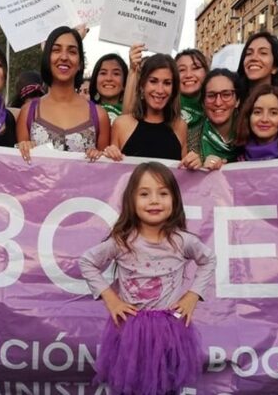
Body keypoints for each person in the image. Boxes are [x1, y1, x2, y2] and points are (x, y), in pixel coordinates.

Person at [79, 162, 215, 394]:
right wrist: (112, 299)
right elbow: (87, 261)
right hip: (131, 331)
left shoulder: (183, 241)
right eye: (144, 194)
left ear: (175, 200)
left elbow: (208, 260)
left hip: (170, 330)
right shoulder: (123, 241)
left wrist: (193, 295)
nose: (154, 200)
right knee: (132, 385)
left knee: (168, 384)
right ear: (131, 201)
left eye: (163, 193)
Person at [16, 26, 109, 162]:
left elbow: (106, 170)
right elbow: (20, 167)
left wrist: (102, 155)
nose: (64, 57)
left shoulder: (100, 116)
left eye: (72, 52)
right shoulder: (28, 112)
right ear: (47, 59)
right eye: (56, 50)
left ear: (80, 63)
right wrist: (24, 147)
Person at [104, 53, 191, 163]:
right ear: (142, 85)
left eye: (167, 83)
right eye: (153, 81)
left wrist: (193, 162)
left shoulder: (180, 126)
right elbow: (112, 170)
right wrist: (109, 154)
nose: (160, 90)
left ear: (173, 89)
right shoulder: (121, 124)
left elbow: (183, 171)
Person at [186, 68, 243, 170]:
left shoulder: (250, 137)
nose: (218, 103)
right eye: (211, 96)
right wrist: (197, 168)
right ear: (203, 102)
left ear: (237, 101)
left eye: (226, 95)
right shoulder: (189, 141)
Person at [235, 84, 278, 161]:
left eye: (273, 113)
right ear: (248, 116)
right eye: (258, 112)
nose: (264, 119)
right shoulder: (235, 154)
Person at [235, 31, 278, 102]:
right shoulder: (232, 100)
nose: (253, 58)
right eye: (249, 53)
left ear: (275, 67)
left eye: (263, 53)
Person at [175, 48, 209, 133]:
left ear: (206, 72)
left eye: (195, 68)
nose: (188, 75)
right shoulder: (163, 108)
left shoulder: (219, 106)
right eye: (181, 70)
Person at [88, 53, 128, 124]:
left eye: (116, 74)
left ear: (125, 82)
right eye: (103, 73)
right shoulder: (85, 111)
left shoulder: (135, 115)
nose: (109, 78)